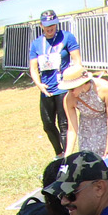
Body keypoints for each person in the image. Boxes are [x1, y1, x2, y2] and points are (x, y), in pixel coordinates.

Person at [30, 11, 81, 157]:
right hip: (47, 88)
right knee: (47, 124)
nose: (49, 28)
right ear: (41, 26)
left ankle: (67, 155)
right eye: (46, 26)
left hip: (63, 87)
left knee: (64, 124)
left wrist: (74, 80)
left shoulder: (67, 37)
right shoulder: (36, 44)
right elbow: (33, 68)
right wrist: (39, 84)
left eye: (52, 25)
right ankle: (58, 153)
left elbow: (77, 60)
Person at [58, 64, 108, 160]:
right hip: (87, 127)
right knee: (89, 161)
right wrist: (67, 156)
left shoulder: (105, 88)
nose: (70, 92)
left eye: (72, 88)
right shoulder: (69, 99)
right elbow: (72, 130)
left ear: (83, 83)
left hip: (107, 124)